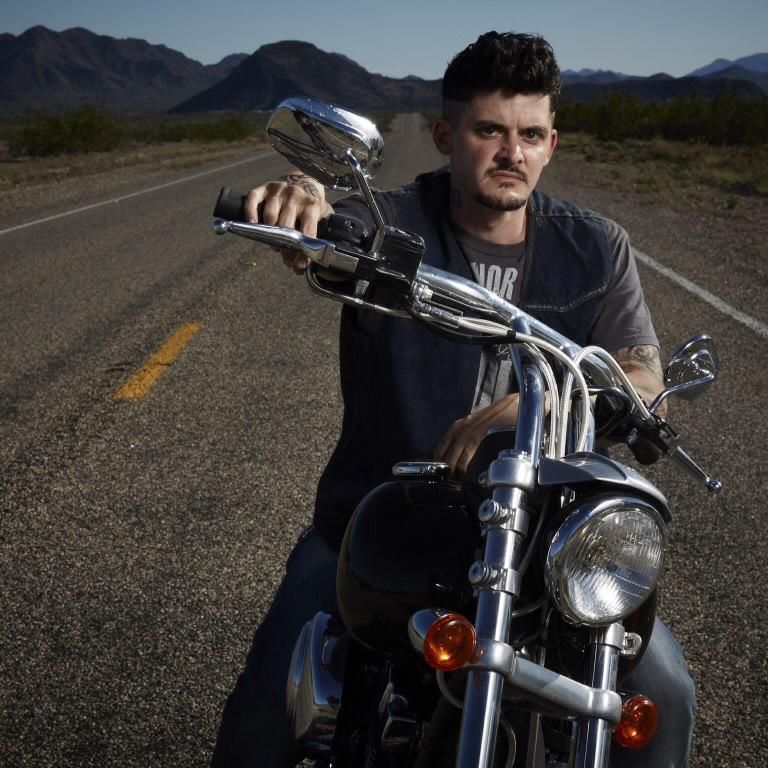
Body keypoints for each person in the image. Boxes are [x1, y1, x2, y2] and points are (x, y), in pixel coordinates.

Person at [210, 31, 695, 768]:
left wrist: (534, 398)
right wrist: (299, 196)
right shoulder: (391, 225)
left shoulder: (597, 248)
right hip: (381, 521)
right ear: (445, 136)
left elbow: (642, 375)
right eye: (489, 131)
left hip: (541, 547)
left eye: (530, 135)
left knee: (666, 693)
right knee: (265, 710)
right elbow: (319, 223)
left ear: (552, 144)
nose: (512, 152)